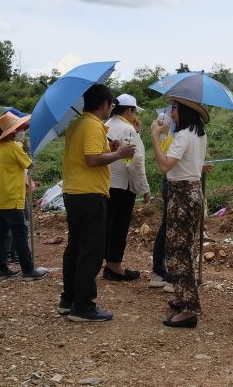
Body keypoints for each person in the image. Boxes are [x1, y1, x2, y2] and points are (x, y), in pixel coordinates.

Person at [58, 84, 135, 322]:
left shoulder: (77, 124)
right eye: (110, 105)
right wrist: (119, 154)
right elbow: (92, 159)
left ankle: (68, 299)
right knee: (91, 251)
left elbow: (90, 154)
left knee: (75, 249)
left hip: (74, 192)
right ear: (104, 105)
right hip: (90, 194)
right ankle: (84, 305)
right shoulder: (92, 125)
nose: (110, 109)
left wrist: (109, 149)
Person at [150, 99, 210, 328]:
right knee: (184, 247)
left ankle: (189, 308)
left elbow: (165, 166)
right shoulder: (199, 134)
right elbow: (190, 162)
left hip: (181, 195)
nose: (170, 113)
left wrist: (155, 136)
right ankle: (183, 295)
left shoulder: (184, 135)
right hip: (193, 192)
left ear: (183, 111)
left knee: (176, 251)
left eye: (173, 108)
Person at [0, 111, 48, 282]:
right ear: (13, 132)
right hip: (12, 198)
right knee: (20, 233)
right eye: (20, 129)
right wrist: (27, 148)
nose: (22, 132)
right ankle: (28, 270)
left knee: (0, 234)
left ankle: (1, 268)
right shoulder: (14, 147)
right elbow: (30, 164)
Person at [103, 94, 151, 282]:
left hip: (106, 183)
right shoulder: (127, 128)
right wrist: (144, 188)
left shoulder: (107, 125)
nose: (135, 115)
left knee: (109, 224)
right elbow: (134, 162)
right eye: (135, 111)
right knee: (119, 226)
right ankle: (115, 266)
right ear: (129, 110)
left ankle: (109, 263)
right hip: (123, 185)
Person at [148, 107, 175, 292]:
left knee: (167, 226)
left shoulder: (168, 135)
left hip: (170, 182)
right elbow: (167, 163)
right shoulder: (170, 136)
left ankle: (159, 271)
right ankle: (162, 272)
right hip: (173, 182)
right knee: (169, 228)